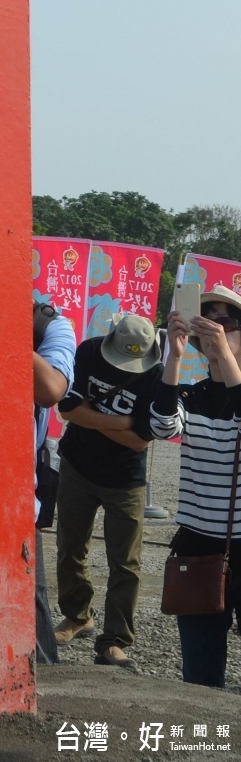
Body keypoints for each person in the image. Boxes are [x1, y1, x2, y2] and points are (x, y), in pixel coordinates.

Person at [52, 313, 173, 671]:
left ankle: (115, 641)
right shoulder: (88, 352)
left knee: (126, 563)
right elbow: (68, 408)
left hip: (126, 481)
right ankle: (77, 615)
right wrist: (122, 422)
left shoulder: (156, 374)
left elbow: (141, 442)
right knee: (70, 546)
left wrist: (93, 418)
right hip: (77, 465)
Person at [158, 285, 241, 689]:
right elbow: (161, 425)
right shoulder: (192, 395)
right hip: (196, 545)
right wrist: (173, 356)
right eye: (207, 320)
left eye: (227, 322)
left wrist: (225, 356)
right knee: (200, 675)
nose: (216, 330)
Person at [32, 299, 75, 668]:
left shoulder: (48, 324)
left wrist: (4, 318)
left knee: (30, 604)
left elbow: (49, 389)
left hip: (15, 497)